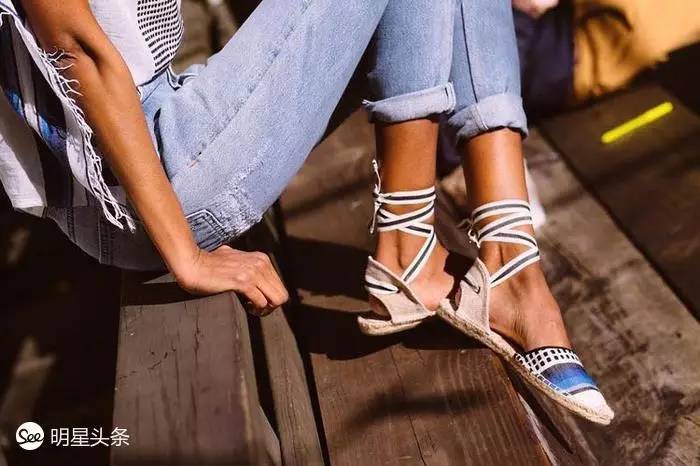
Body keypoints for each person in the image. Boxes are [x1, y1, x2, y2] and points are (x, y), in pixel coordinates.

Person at [0, 0, 612, 423]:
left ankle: (489, 254)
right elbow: (74, 46)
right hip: (140, 179)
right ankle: (456, 255)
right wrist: (185, 256)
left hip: (162, 135)